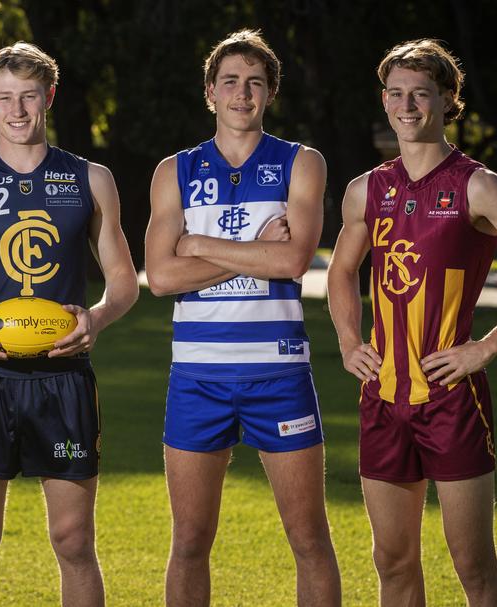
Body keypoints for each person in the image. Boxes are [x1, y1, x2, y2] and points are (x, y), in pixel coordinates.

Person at [0, 42, 138, 607]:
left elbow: (124, 279)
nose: (17, 111)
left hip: (63, 380)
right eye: (5, 98)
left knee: (73, 540)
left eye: (29, 96)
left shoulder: (90, 178)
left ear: (49, 98)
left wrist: (99, 316)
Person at [145, 29, 340, 607]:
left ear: (270, 92)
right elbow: (161, 278)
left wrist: (196, 245)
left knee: (309, 540)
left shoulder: (301, 162)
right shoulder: (173, 171)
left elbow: (293, 259)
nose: (241, 92)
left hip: (279, 376)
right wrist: (254, 247)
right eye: (230, 81)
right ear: (210, 92)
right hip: (196, 378)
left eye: (255, 82)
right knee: (189, 542)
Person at [327, 39, 497, 606]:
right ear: (383, 100)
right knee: (391, 561)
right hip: (383, 396)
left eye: (420, 93)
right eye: (395, 93)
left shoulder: (479, 185)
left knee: (473, 566)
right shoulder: (367, 189)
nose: (406, 105)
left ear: (448, 99)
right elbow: (340, 274)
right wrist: (347, 340)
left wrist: (483, 349)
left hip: (450, 398)